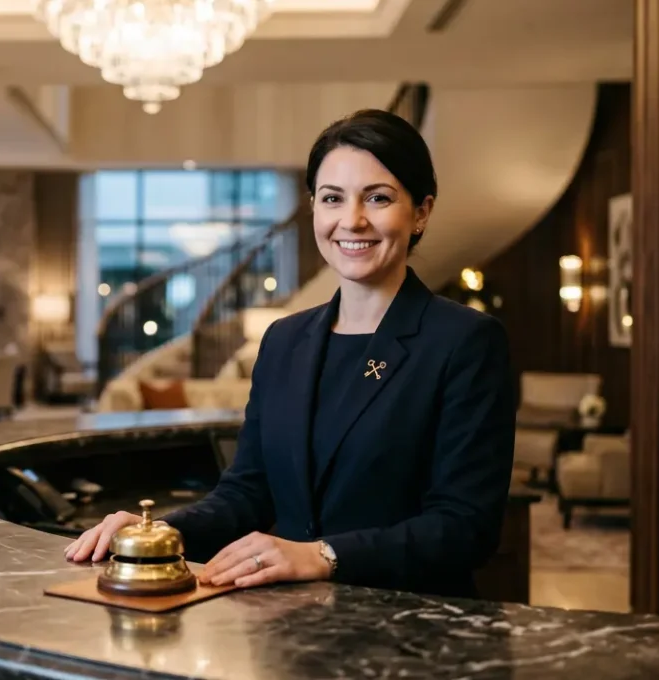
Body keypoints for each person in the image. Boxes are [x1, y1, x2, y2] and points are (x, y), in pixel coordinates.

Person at [65, 109, 517, 599]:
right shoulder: (284, 340)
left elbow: (466, 527)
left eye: (379, 198)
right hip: (289, 630)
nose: (352, 220)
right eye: (332, 199)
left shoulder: (466, 341)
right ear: (314, 209)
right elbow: (247, 493)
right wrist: (156, 534)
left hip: (410, 631)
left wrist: (323, 554)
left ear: (422, 212)